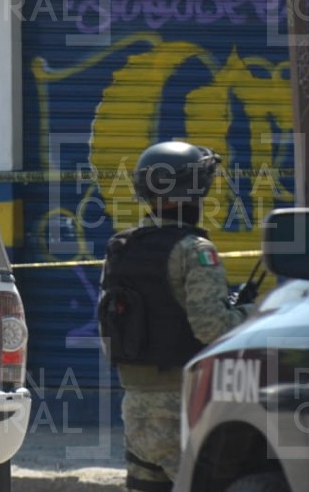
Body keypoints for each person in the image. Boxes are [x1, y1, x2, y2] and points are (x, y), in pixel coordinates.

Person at [98, 141, 254, 492]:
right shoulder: (195, 251)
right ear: (193, 190)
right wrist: (251, 312)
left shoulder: (120, 248)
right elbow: (211, 327)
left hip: (136, 405)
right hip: (183, 406)